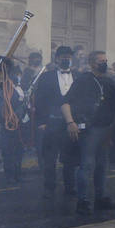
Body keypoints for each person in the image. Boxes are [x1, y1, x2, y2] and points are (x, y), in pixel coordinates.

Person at [61, 49, 115, 215]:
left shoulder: (109, 82)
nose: (104, 63)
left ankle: (100, 198)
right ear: (91, 63)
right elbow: (65, 103)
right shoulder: (83, 81)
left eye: (105, 60)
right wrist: (70, 122)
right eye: (100, 61)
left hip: (105, 129)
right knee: (86, 165)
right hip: (89, 129)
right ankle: (83, 201)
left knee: (102, 165)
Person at [32, 45, 81, 198]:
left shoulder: (79, 76)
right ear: (57, 59)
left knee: (70, 158)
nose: (66, 59)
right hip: (52, 122)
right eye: (63, 56)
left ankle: (70, 187)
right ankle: (49, 187)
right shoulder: (47, 77)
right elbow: (40, 101)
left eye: (69, 56)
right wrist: (41, 121)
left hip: (71, 122)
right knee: (50, 158)